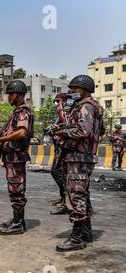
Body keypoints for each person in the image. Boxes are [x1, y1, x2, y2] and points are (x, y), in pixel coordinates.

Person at [54, 75, 104, 252]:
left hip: (78, 157)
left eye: (73, 89)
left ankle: (76, 238)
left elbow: (84, 130)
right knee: (82, 194)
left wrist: (62, 132)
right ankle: (86, 233)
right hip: (84, 156)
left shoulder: (86, 106)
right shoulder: (94, 107)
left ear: (82, 89)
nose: (71, 92)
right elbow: (100, 130)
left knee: (76, 196)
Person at [0, 80, 34, 235]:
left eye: (12, 94)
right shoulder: (17, 112)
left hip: (16, 157)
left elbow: (21, 132)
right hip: (12, 157)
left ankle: (19, 223)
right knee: (14, 189)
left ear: (20, 95)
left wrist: (1, 140)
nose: (9, 97)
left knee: (17, 190)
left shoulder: (23, 112)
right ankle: (17, 219)